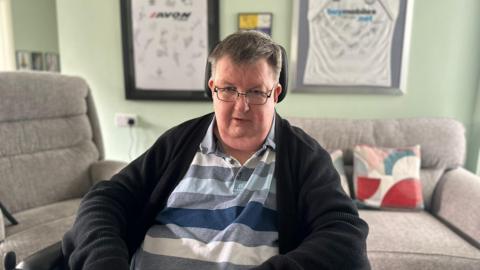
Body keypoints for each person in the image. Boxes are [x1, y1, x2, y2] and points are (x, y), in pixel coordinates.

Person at [62, 30, 370, 270]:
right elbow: (104, 200)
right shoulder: (178, 143)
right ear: (212, 88)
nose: (241, 106)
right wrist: (105, 262)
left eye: (255, 92)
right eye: (228, 90)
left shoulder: (303, 157)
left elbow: (344, 235)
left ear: (276, 93)